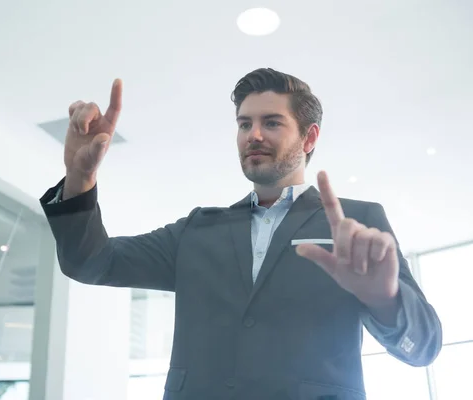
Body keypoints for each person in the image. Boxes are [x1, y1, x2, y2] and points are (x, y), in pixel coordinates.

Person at [41, 68, 442, 400]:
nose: (253, 134)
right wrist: (79, 179)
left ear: (310, 137)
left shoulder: (357, 221)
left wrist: (384, 298)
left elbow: (423, 348)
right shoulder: (198, 230)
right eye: (244, 123)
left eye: (271, 122)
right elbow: (90, 262)